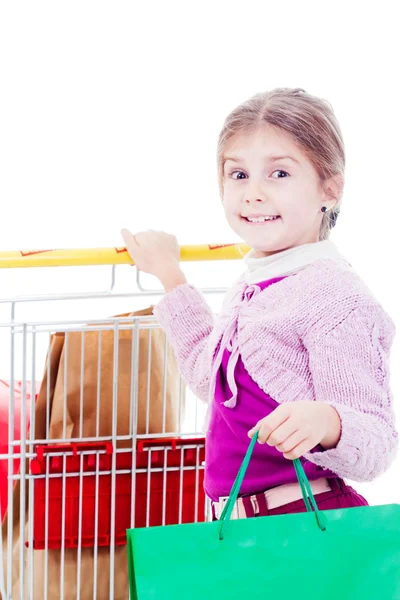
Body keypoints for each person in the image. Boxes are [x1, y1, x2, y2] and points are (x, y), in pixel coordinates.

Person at [121, 87, 398, 520]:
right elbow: (212, 381)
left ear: (330, 188)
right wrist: (170, 275)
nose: (252, 194)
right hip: (237, 530)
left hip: (308, 528)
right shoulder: (255, 285)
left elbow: (377, 443)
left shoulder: (337, 298)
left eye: (280, 174)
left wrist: (327, 421)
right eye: (238, 175)